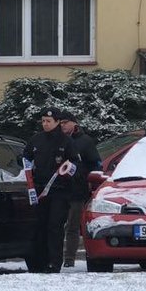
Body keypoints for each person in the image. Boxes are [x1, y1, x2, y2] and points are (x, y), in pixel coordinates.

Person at [22, 108, 79, 273]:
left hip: (59, 191)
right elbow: (26, 157)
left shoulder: (66, 141)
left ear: (56, 122)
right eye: (43, 121)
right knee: (40, 225)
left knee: (55, 226)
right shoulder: (36, 139)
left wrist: (70, 170)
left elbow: (75, 163)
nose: (45, 124)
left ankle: (54, 262)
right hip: (40, 191)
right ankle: (40, 261)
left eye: (48, 121)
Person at [58, 110, 101, 268]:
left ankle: (69, 259)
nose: (62, 126)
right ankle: (55, 257)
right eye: (60, 123)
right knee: (56, 225)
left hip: (77, 190)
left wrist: (86, 177)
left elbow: (96, 164)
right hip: (59, 189)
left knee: (72, 226)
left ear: (74, 123)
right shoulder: (57, 140)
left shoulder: (85, 141)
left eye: (65, 122)